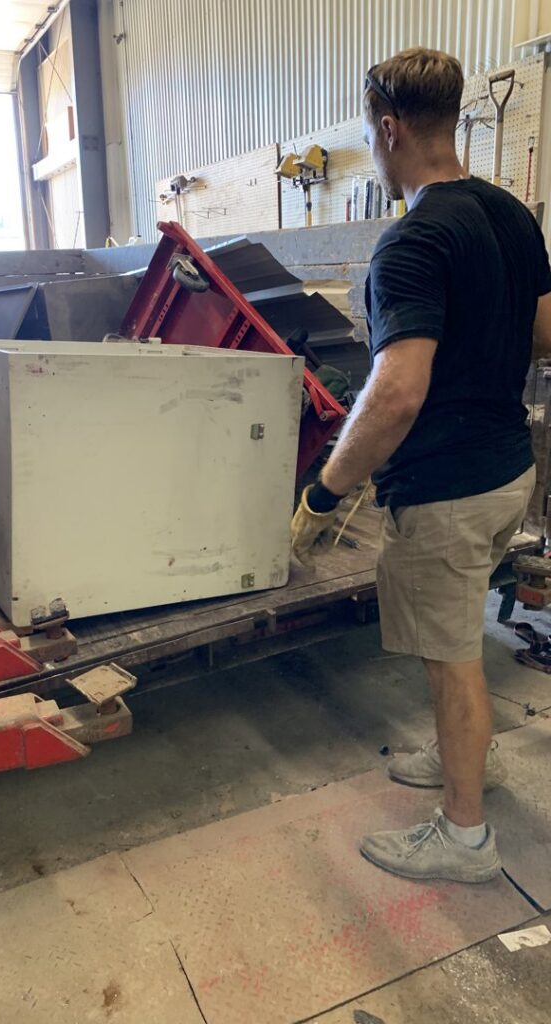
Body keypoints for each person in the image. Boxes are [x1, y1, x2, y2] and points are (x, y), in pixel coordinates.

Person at [290, 47, 551, 883]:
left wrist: (328, 489)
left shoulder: (409, 243)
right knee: (461, 636)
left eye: (371, 134)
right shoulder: (510, 215)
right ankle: (459, 758)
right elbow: (546, 335)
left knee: (452, 657)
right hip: (511, 470)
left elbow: (396, 393)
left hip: (447, 487)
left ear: (390, 129)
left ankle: (465, 838)